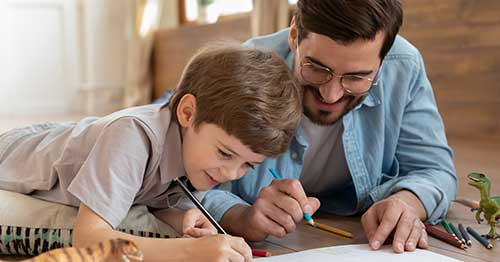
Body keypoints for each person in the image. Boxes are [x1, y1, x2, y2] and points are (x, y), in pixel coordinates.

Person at [196, 0, 457, 253]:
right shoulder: (245, 70)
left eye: (357, 77)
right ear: (294, 34)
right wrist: (242, 217)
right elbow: (185, 182)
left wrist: (408, 201)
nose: (330, 95)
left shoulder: (404, 66)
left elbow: (434, 169)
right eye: (317, 68)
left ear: (382, 60)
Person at [0, 44, 302, 261]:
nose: (230, 174)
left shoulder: (192, 152)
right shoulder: (132, 138)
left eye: (248, 165)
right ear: (187, 112)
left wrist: (180, 218)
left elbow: (149, 194)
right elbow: (88, 238)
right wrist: (189, 252)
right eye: (225, 154)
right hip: (13, 152)